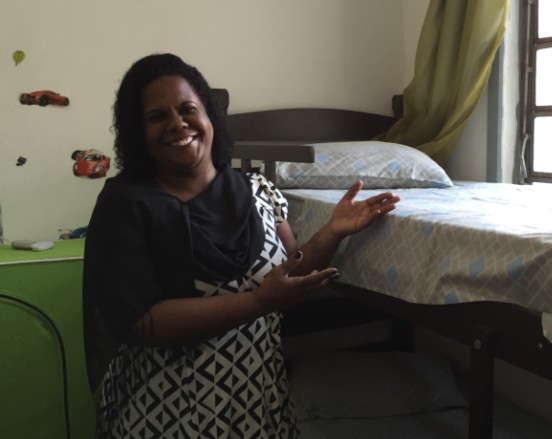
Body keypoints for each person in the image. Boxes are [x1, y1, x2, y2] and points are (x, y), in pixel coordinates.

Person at [82, 53, 400, 438]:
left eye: (187, 109)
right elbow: (140, 322)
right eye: (157, 117)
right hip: (166, 412)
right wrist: (258, 303)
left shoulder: (257, 189)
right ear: (138, 132)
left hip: (256, 403)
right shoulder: (125, 204)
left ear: (209, 116)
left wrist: (333, 231)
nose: (177, 123)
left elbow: (291, 274)